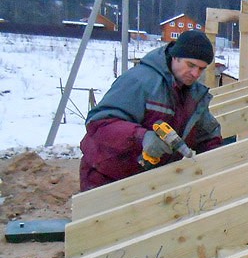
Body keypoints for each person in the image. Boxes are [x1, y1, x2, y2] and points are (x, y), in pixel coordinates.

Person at [79, 30, 223, 191]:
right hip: (106, 176)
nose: (195, 74)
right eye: (191, 65)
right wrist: (142, 137)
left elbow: (207, 136)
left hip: (149, 182)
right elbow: (98, 123)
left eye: (201, 69)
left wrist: (220, 162)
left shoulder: (194, 95)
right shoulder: (140, 81)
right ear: (175, 56)